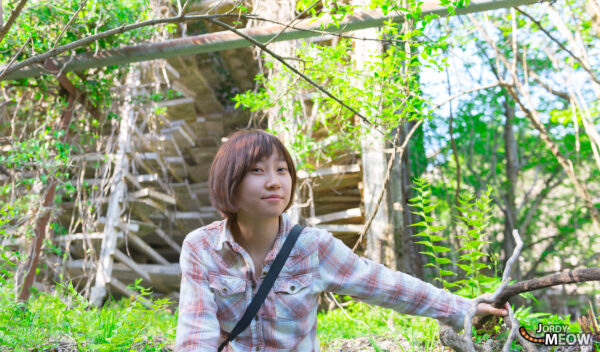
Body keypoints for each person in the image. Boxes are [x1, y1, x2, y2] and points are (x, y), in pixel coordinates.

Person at [175, 128, 508, 351]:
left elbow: (384, 284)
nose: (275, 182)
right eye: (257, 171)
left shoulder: (311, 247)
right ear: (229, 180)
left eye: (282, 170)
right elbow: (196, 336)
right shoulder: (202, 249)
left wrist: (464, 309)